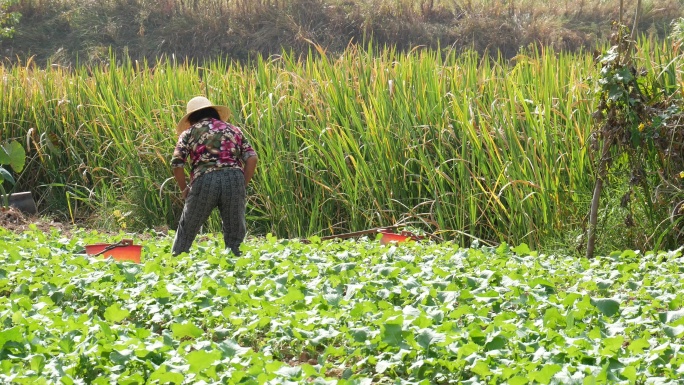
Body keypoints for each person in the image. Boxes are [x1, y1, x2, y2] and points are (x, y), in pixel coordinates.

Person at [170, 96, 258, 256]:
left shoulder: (189, 132)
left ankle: (177, 262)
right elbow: (252, 158)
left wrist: (184, 190)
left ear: (191, 118)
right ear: (214, 112)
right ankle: (236, 268)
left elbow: (177, 163)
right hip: (234, 177)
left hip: (205, 180)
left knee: (187, 229)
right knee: (235, 235)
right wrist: (241, 184)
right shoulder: (234, 130)